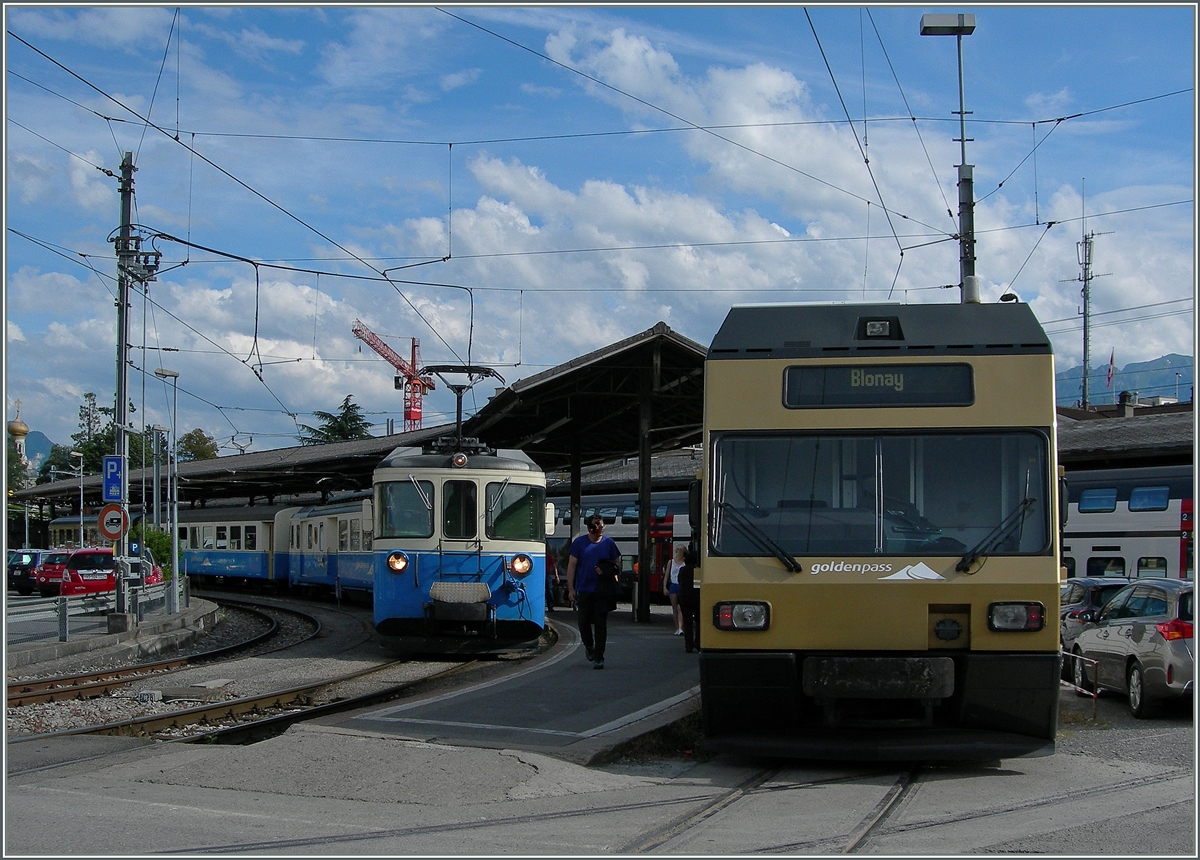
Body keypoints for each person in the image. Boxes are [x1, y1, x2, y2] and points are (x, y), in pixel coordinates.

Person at [566, 513, 621, 670]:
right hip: (584, 589)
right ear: (590, 527)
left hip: (602, 591)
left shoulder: (609, 543)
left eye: (602, 524)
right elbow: (571, 566)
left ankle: (599, 657)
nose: (601, 527)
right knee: (583, 622)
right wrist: (571, 588)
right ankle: (589, 646)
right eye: (597, 524)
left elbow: (617, 564)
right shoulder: (579, 543)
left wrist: (607, 570)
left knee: (600, 624)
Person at [678, 549, 701, 653]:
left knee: (687, 623)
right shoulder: (698, 571)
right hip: (697, 598)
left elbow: (680, 581)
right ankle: (698, 643)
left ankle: (689, 645)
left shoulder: (683, 570)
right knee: (699, 621)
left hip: (685, 598)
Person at [666, 543, 685, 635]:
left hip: (681, 585)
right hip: (673, 585)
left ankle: (681, 628)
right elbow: (667, 575)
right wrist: (664, 587)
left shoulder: (685, 562)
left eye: (680, 549)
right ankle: (677, 627)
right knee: (674, 607)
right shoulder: (671, 562)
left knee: (680, 607)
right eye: (677, 549)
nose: (679, 551)